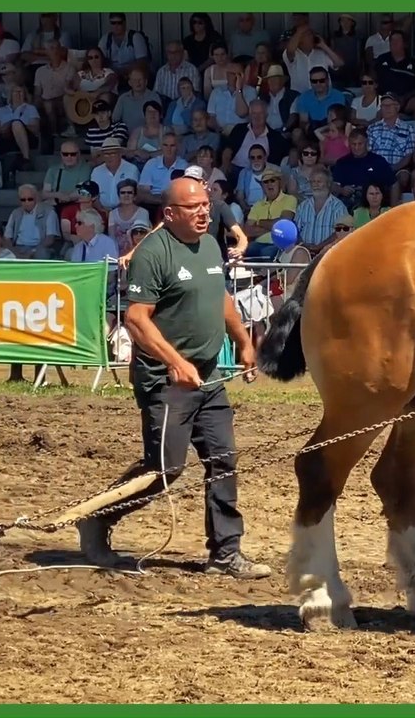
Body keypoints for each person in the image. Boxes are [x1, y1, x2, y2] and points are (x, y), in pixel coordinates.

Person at [76, 177, 270, 580]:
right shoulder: (153, 254)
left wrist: (244, 342)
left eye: (206, 205)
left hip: (209, 376)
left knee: (223, 460)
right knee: (164, 469)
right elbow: (136, 319)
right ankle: (97, 518)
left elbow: (220, 298)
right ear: (169, 214)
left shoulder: (211, 245)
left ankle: (225, 552)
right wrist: (176, 362)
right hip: (165, 381)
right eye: (193, 207)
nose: (204, 212)